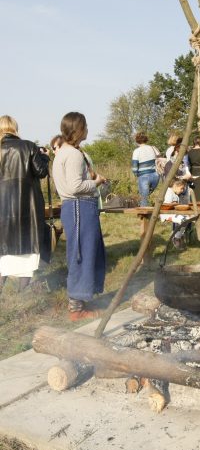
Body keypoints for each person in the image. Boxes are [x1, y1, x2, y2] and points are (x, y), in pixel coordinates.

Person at [52, 112, 107, 321]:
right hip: (79, 207)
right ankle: (76, 309)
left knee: (82, 252)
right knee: (81, 254)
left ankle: (80, 300)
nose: (88, 130)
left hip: (74, 207)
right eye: (85, 126)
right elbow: (75, 187)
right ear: (78, 130)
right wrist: (97, 182)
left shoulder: (64, 152)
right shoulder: (73, 154)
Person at [0, 115, 50, 294]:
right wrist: (45, 157)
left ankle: (4, 296)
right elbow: (41, 171)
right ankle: (22, 295)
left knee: (3, 252)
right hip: (25, 208)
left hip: (2, 211)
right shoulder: (28, 146)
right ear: (15, 128)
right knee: (27, 249)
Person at [131, 132, 160, 207]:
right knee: (147, 195)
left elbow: (134, 166)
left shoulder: (136, 151)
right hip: (155, 175)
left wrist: (136, 174)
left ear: (137, 141)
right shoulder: (153, 148)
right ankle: (149, 210)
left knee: (144, 197)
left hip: (143, 176)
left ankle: (144, 215)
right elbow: (159, 157)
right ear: (146, 139)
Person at [163, 179, 191, 250]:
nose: (182, 190)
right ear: (175, 186)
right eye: (181, 188)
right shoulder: (169, 191)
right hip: (166, 214)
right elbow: (167, 205)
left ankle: (175, 236)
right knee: (184, 220)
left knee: (187, 218)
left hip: (173, 213)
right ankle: (176, 238)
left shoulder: (175, 193)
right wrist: (176, 205)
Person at [187, 136, 200, 201]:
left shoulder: (190, 152)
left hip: (193, 171)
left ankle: (194, 204)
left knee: (195, 190)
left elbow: (188, 164)